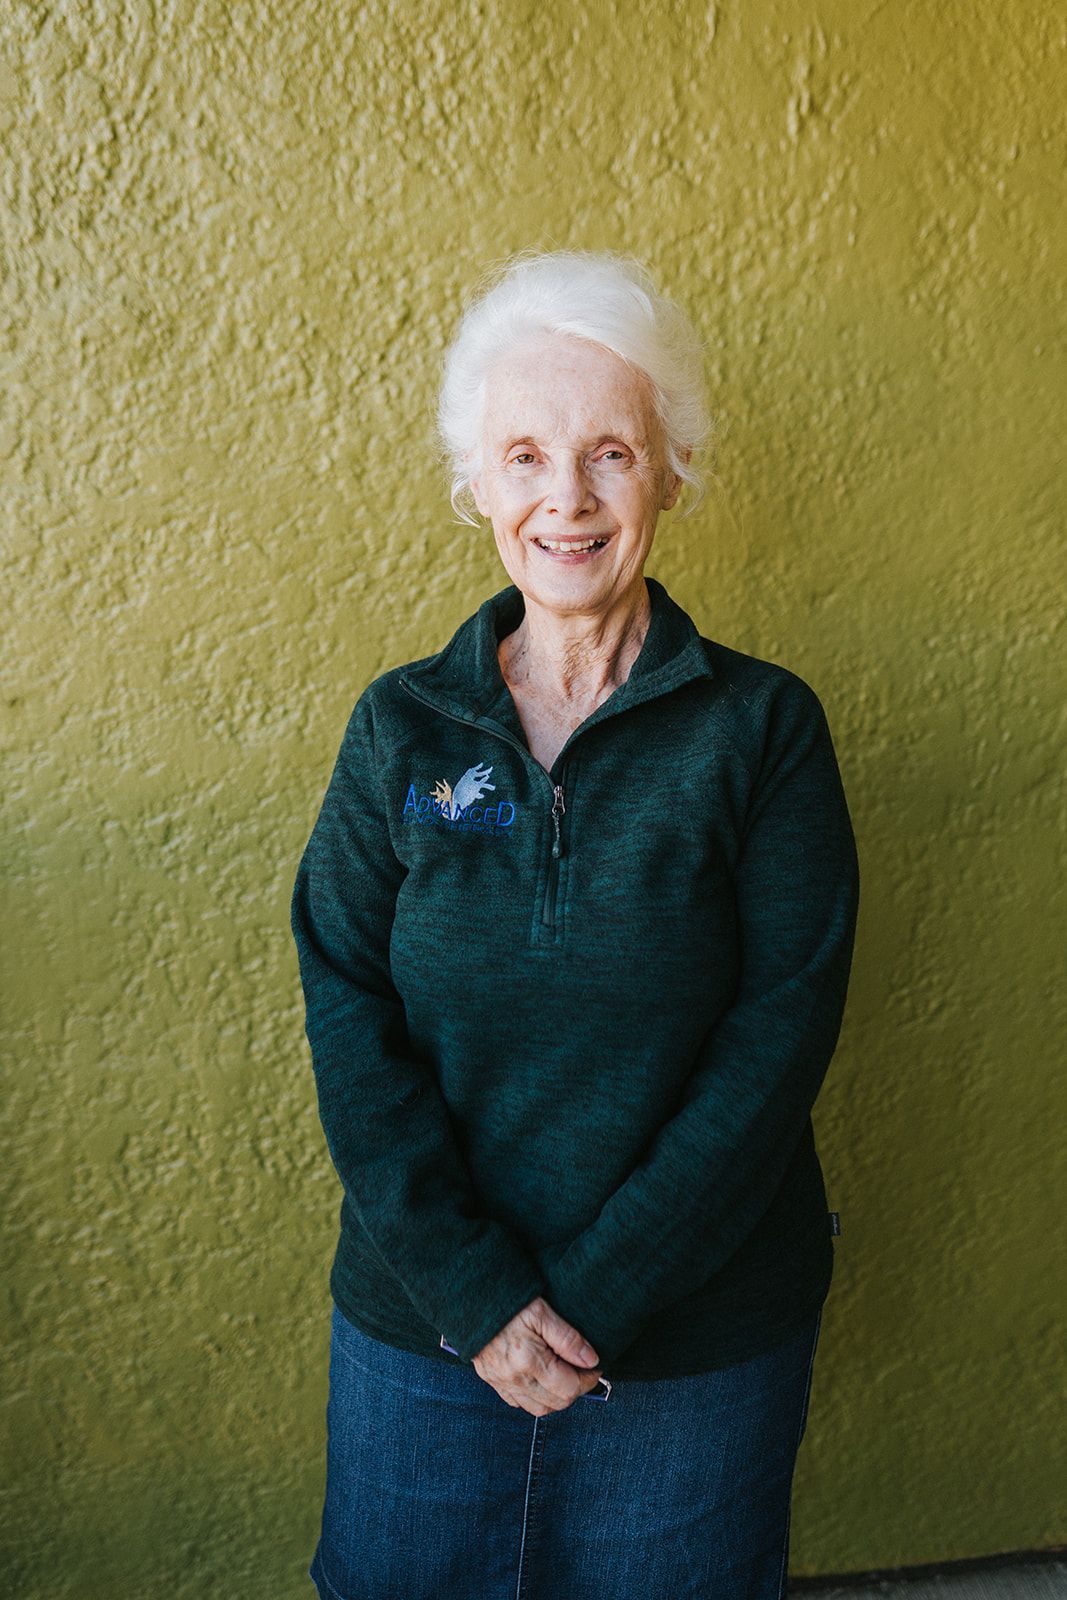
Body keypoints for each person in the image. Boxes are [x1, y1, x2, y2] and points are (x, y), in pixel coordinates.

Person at [290, 248, 860, 1600]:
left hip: (693, 1345)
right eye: (527, 454)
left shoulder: (762, 731)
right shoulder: (401, 729)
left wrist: (592, 1301)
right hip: (426, 1335)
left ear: (671, 474)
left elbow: (776, 1040)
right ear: (475, 483)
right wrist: (479, 1298)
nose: (568, 497)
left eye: (611, 453)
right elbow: (346, 1011)